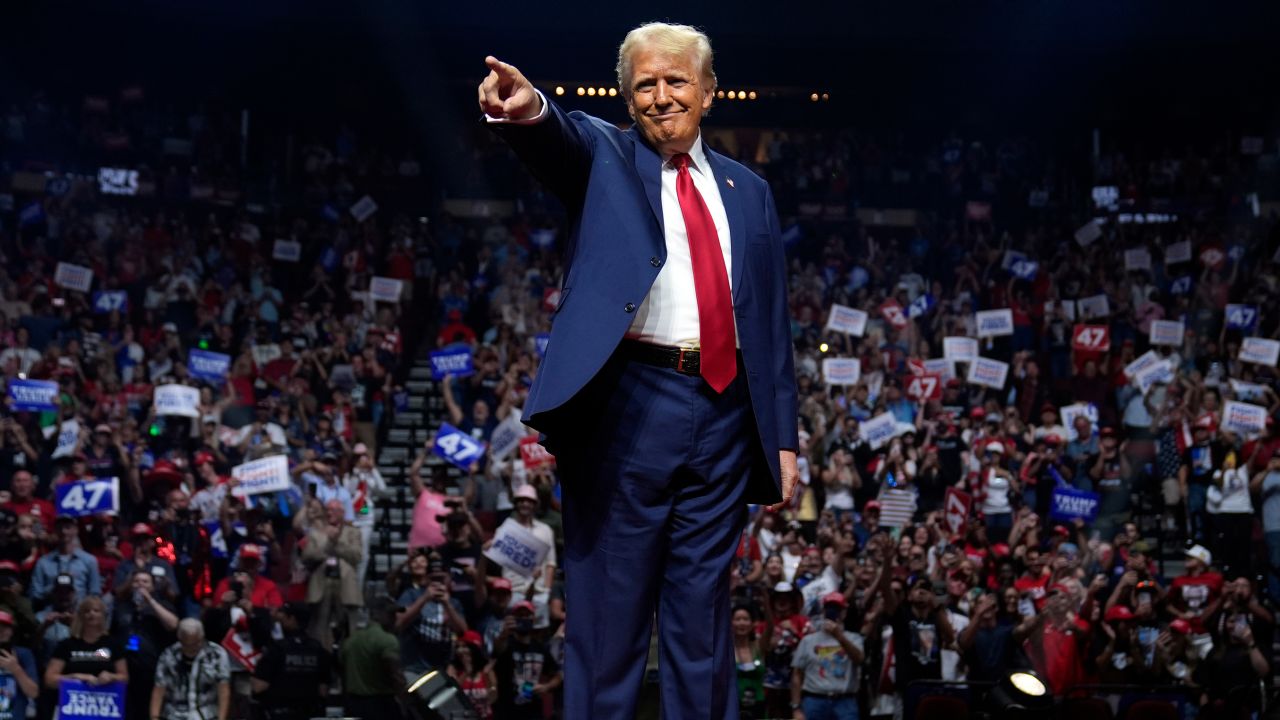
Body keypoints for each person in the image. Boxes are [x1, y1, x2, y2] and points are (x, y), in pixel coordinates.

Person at [479, 21, 799, 719]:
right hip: (626, 405)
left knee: (703, 617)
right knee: (609, 618)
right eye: (644, 85)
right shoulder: (607, 157)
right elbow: (555, 136)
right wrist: (528, 108)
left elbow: (771, 321)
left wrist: (784, 438)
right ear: (627, 99)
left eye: (675, 81)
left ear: (708, 92)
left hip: (725, 413)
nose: (659, 97)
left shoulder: (751, 191)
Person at [789, 592, 863, 720]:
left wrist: (839, 637)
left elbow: (859, 659)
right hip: (815, 700)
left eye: (837, 609)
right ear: (823, 611)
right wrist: (796, 707)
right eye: (830, 608)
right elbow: (797, 674)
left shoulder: (854, 638)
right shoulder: (808, 641)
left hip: (845, 701)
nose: (833, 612)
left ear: (844, 612)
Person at [252, 603, 332, 720]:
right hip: (310, 713)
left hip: (279, 714)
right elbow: (323, 691)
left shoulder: (276, 649)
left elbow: (259, 687)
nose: (281, 619)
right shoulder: (319, 650)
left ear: (292, 619)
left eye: (284, 615)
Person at [43, 597, 128, 696]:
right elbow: (49, 680)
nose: (91, 613)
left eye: (96, 610)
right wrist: (75, 677)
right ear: (81, 616)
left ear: (103, 616)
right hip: (72, 702)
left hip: (105, 702)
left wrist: (112, 677)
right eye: (87, 611)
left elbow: (125, 678)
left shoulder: (113, 644)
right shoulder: (66, 645)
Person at [493, 600, 562, 720]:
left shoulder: (540, 648)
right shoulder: (507, 644)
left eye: (527, 615)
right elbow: (498, 648)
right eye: (520, 615)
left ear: (533, 619)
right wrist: (504, 634)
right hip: (508, 712)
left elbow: (558, 674)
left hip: (533, 712)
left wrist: (546, 687)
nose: (523, 618)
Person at [150, 618, 231, 720]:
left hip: (206, 714)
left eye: (195, 643)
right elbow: (159, 689)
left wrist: (222, 718)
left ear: (201, 638)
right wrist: (154, 717)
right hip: (174, 714)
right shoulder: (168, 655)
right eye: (186, 644)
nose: (191, 648)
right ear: (180, 639)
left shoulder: (217, 654)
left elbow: (223, 690)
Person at [338, 596, 403, 720]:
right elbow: (396, 676)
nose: (394, 618)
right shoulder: (388, 640)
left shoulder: (351, 641)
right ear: (377, 614)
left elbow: (343, 672)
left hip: (354, 705)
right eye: (391, 614)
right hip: (381, 706)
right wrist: (406, 702)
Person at [30, 517, 101, 606]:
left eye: (68, 527)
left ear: (76, 530)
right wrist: (54, 588)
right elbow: (35, 595)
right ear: (55, 531)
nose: (64, 532)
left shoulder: (89, 561)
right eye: (60, 528)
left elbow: (95, 594)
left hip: (79, 613)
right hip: (50, 612)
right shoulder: (43, 562)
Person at [0, 610, 38, 720]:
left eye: (5, 627)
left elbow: (33, 693)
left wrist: (16, 669)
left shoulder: (23, 654)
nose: (1, 630)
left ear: (12, 631)